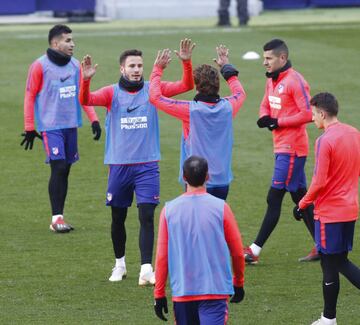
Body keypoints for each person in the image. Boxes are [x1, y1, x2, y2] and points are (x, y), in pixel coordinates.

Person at [79, 39, 195, 284]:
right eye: (132, 65)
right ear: (122, 69)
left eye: (140, 65)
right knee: (118, 218)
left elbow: (187, 85)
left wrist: (186, 63)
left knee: (146, 215)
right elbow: (86, 100)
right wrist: (86, 79)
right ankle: (119, 264)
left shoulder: (153, 90)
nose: (136, 69)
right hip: (119, 166)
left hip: (147, 165)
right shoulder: (111, 92)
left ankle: (146, 269)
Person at [243, 39, 319, 264]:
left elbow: (308, 114)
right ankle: (324, 246)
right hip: (281, 146)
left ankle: (254, 251)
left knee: (274, 196)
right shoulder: (272, 79)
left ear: (282, 58)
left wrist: (278, 121)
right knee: (300, 197)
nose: (264, 63)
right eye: (264, 58)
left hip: (293, 149)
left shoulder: (296, 81)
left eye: (268, 59)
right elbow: (266, 102)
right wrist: (263, 116)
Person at [21, 24, 101, 234]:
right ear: (55, 43)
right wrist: (30, 127)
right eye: (68, 40)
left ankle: (60, 216)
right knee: (58, 167)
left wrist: (94, 119)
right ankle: (56, 219)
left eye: (72, 40)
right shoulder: (39, 66)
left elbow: (83, 96)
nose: (72, 44)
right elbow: (30, 95)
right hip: (51, 127)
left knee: (65, 169)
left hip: (71, 126)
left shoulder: (76, 66)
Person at [154, 155, 245, 324]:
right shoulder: (221, 208)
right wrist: (238, 282)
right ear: (207, 176)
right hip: (215, 290)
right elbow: (238, 252)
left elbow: (162, 257)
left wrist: (159, 293)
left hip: (183, 292)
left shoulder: (168, 211)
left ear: (184, 177)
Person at [149, 45, 246, 201]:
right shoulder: (229, 107)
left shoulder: (190, 110)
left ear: (197, 87)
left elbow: (155, 97)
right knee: (216, 221)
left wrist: (157, 69)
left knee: (196, 223)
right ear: (217, 85)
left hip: (196, 179)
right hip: (222, 180)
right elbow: (240, 93)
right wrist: (226, 67)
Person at [296, 93, 360, 325]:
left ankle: (328, 319)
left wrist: (302, 204)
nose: (312, 119)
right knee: (333, 260)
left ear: (322, 113)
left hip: (329, 213)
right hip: (350, 210)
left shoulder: (324, 140)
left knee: (335, 262)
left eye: (313, 114)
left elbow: (319, 181)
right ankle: (328, 318)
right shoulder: (354, 133)